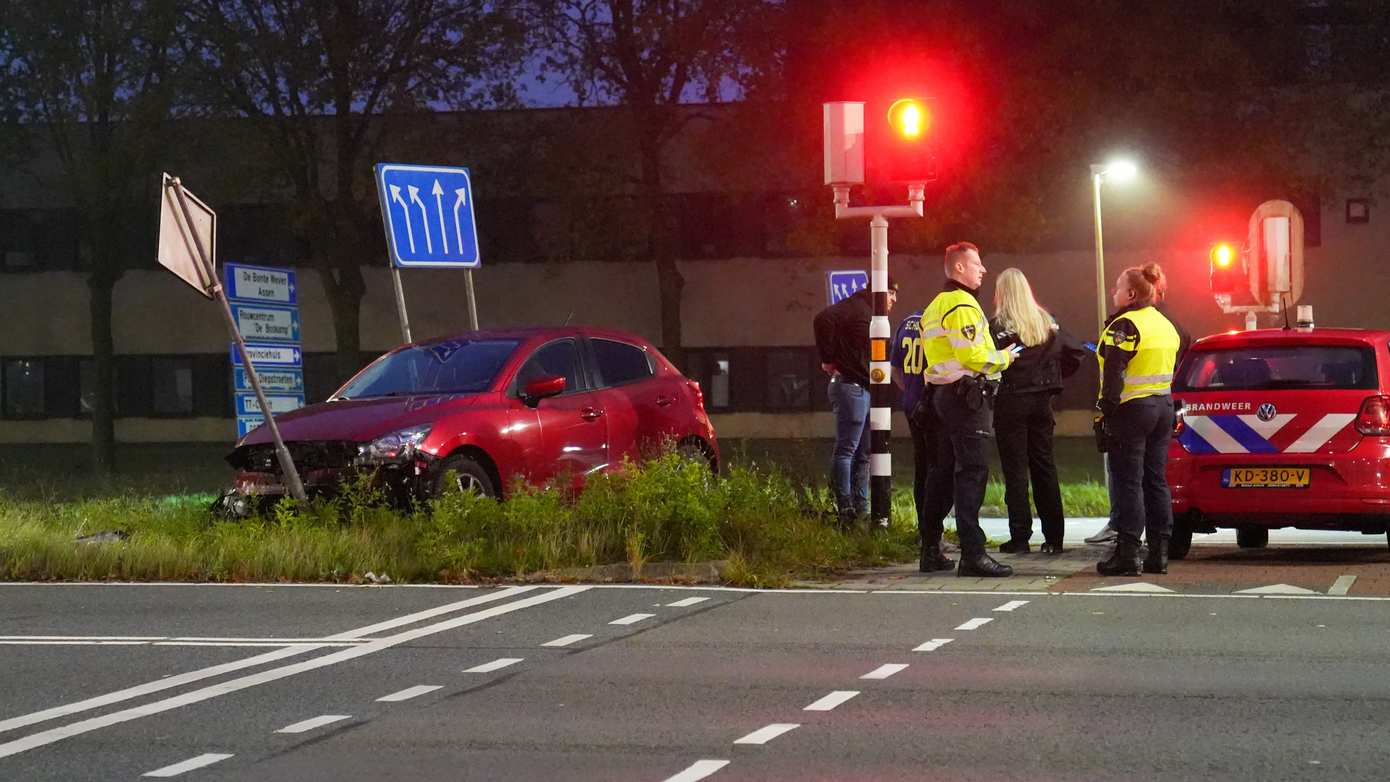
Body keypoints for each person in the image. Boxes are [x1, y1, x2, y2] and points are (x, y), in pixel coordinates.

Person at [918, 242, 1021, 577]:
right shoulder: (963, 305)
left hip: (942, 396)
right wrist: (1006, 357)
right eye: (977, 263)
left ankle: (930, 549)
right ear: (959, 268)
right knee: (972, 472)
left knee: (942, 473)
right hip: (966, 398)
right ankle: (973, 554)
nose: (983, 269)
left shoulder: (935, 305)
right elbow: (973, 356)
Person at [1085, 274, 1192, 545]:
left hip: (1131, 410)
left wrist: (1104, 412)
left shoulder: (1124, 325)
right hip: (1163, 407)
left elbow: (1113, 373)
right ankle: (1160, 551)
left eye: (1118, 287)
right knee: (1156, 480)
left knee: (1127, 482)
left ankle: (1128, 552)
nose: (1113, 291)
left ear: (1131, 294)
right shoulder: (1165, 323)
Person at [989, 268, 1087, 555]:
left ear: (1002, 293)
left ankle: (1019, 538)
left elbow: (988, 361)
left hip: (1010, 402)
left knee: (1015, 471)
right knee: (1045, 467)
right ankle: (1054, 538)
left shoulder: (996, 327)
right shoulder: (1047, 322)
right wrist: (1053, 377)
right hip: (1042, 403)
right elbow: (1077, 352)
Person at [814, 275, 899, 526]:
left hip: (862, 388)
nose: (894, 299)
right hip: (851, 388)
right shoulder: (858, 309)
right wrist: (829, 358)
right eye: (891, 293)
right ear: (879, 292)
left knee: (864, 452)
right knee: (847, 450)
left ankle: (860, 506)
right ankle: (845, 507)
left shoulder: (871, 316)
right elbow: (822, 319)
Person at [891, 302, 947, 571]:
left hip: (912, 405)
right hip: (933, 406)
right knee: (940, 470)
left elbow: (895, 371)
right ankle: (932, 535)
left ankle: (923, 530)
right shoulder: (934, 326)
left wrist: (909, 393)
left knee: (921, 469)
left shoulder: (905, 323)